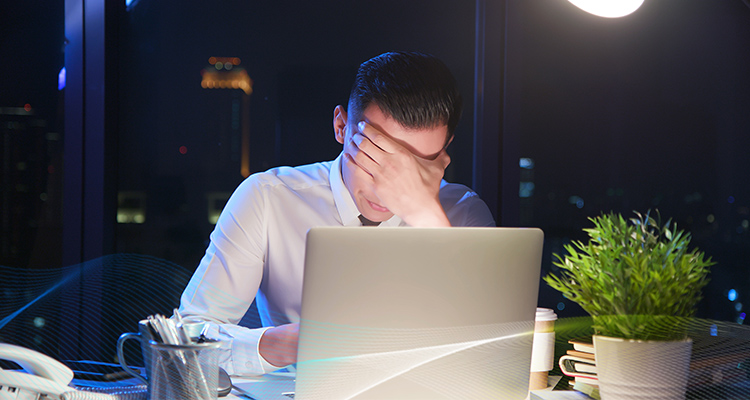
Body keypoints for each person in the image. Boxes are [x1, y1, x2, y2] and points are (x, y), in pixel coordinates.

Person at [178, 51, 496, 376]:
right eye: (376, 159)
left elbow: (495, 354)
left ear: (445, 150)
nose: (389, 186)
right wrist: (299, 342)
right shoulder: (268, 198)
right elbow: (185, 342)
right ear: (342, 127)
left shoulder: (463, 214)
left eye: (418, 165)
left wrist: (426, 216)